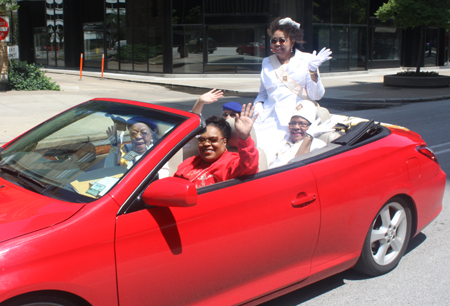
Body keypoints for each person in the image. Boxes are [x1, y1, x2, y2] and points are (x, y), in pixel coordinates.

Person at [253, 17, 332, 153]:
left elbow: (316, 95)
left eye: (282, 40)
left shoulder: (307, 60)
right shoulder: (266, 62)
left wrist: (313, 71)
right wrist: (258, 106)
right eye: (274, 40)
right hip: (267, 118)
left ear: (292, 41)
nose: (277, 44)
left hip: (293, 119)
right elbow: (263, 93)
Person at [174, 104, 259, 188]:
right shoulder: (190, 162)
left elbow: (249, 166)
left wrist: (244, 137)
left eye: (213, 140)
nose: (206, 144)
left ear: (224, 142)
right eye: (202, 140)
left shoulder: (231, 163)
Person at [267, 102, 333, 169]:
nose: (296, 127)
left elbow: (299, 167)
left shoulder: (317, 145)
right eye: (293, 123)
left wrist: (309, 136)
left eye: (302, 124)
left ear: (312, 126)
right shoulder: (282, 138)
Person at [105, 116, 169, 178]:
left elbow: (160, 178)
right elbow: (108, 172)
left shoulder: (158, 153)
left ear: (152, 135)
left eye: (144, 133)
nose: (138, 137)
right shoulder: (125, 150)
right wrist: (114, 150)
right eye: (133, 133)